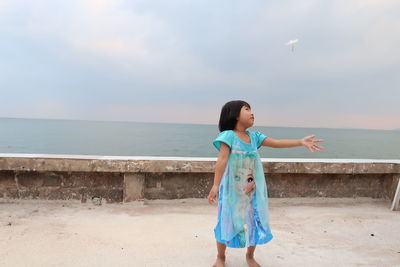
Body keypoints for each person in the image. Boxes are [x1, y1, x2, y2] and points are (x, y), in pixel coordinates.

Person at [208, 100, 324, 267]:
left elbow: (277, 143)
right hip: (231, 190)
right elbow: (222, 159)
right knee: (226, 220)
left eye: (251, 109)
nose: (251, 112)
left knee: (254, 220)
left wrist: (300, 142)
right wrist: (215, 185)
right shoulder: (228, 136)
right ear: (234, 115)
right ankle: (221, 256)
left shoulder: (255, 137)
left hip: (252, 190)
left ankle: (250, 256)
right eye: (246, 109)